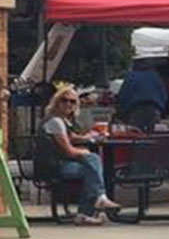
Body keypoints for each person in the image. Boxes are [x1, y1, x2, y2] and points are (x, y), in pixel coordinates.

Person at [41, 86, 119, 224]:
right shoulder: (55, 122)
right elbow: (69, 151)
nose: (68, 104)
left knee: (92, 168)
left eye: (72, 101)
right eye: (64, 100)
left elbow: (71, 137)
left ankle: (86, 212)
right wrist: (85, 152)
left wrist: (89, 138)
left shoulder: (64, 122)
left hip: (61, 163)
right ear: (57, 102)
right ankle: (94, 203)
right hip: (54, 166)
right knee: (93, 164)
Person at [115, 59, 169, 130]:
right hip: (154, 109)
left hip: (137, 110)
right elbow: (164, 95)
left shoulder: (131, 76)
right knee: (154, 134)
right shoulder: (155, 76)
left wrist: (123, 110)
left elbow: (123, 96)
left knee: (135, 134)